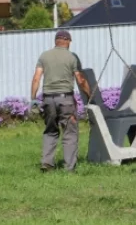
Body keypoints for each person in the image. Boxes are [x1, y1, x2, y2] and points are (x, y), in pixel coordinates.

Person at [30, 29, 91, 172]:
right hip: (66, 100)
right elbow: (80, 80)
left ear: (55, 41)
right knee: (70, 133)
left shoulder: (44, 56)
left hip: (48, 100)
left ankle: (47, 163)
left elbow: (36, 78)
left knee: (50, 131)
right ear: (68, 42)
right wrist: (90, 95)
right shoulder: (72, 57)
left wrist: (33, 100)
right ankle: (69, 168)